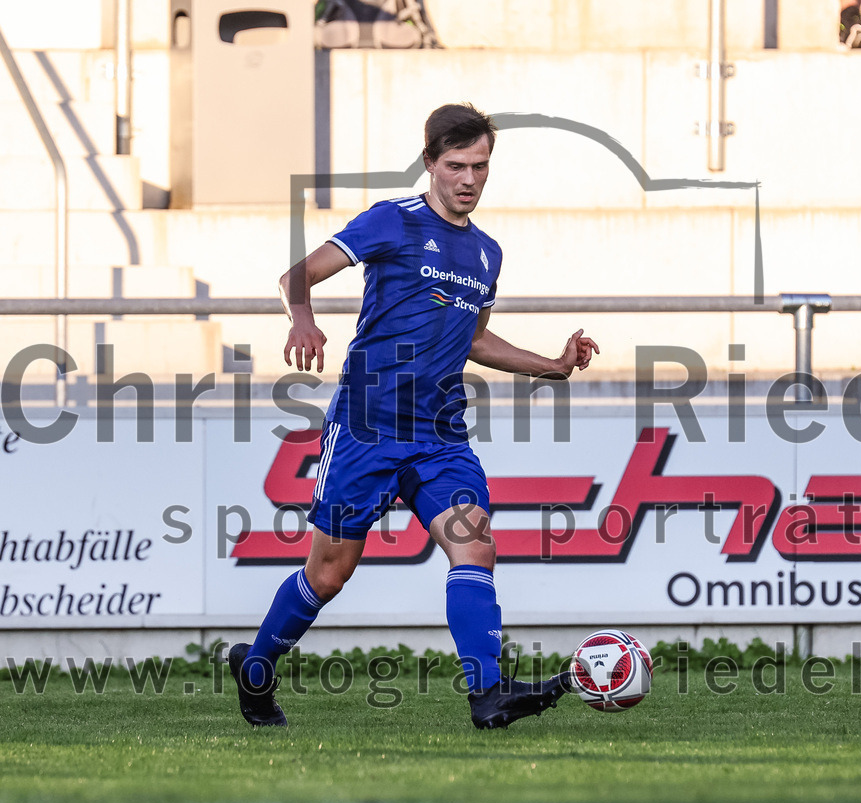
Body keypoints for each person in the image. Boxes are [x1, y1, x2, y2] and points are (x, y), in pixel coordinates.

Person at [229, 103, 599, 730]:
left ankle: (488, 694)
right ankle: (256, 668)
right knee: (330, 571)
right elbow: (300, 273)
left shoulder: (487, 254)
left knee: (474, 543)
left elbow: (474, 340)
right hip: (367, 428)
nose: (470, 179)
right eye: (456, 165)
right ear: (430, 162)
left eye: (480, 166)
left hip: (439, 434)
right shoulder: (391, 222)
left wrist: (553, 366)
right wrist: (303, 318)